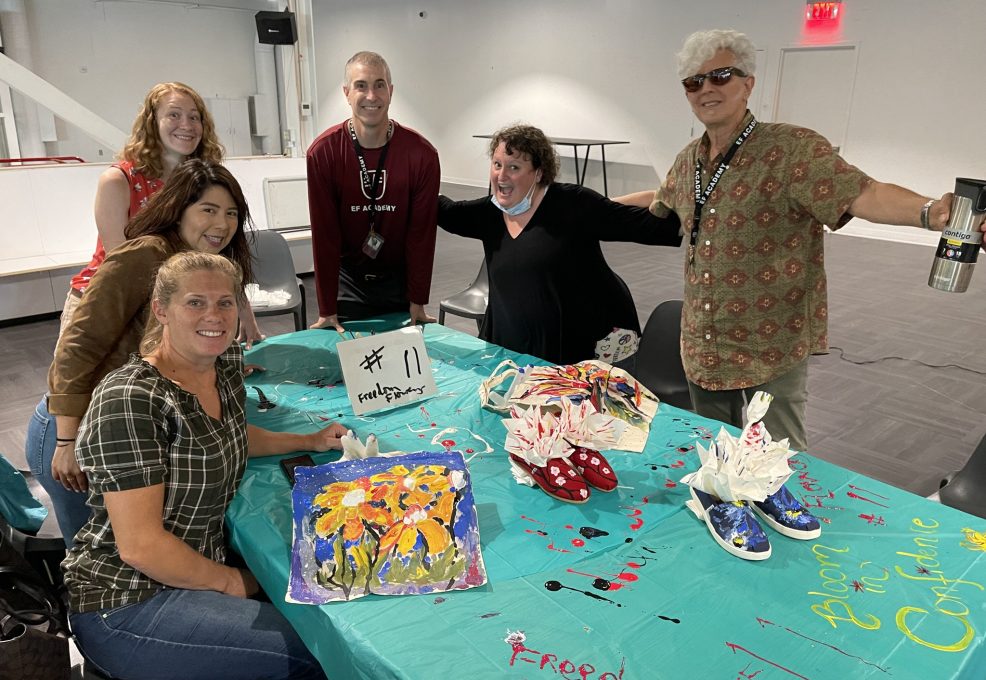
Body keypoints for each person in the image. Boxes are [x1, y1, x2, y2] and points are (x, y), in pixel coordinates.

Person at [623, 29, 955, 451]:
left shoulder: (792, 149)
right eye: (694, 81)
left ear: (748, 84)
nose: (706, 88)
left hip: (771, 340)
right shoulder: (689, 158)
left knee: (778, 463)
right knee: (712, 450)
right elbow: (661, 199)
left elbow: (862, 192)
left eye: (720, 76)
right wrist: (575, 205)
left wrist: (932, 213)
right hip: (705, 338)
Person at [63, 251, 340, 680]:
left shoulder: (222, 366)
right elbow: (140, 547)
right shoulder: (132, 399)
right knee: (318, 654)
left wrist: (310, 440)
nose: (214, 315)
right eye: (195, 302)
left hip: (192, 569)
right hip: (128, 600)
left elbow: (231, 435)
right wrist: (241, 584)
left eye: (225, 302)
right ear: (161, 310)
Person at [27, 159, 256, 546]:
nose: (222, 224)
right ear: (178, 209)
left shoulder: (203, 265)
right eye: (208, 210)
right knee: (99, 555)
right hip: (76, 424)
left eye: (232, 213)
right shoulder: (144, 255)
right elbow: (77, 346)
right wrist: (66, 441)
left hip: (132, 424)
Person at [438, 124, 682, 365]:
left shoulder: (572, 204)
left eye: (514, 167)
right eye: (497, 164)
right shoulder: (489, 213)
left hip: (585, 343)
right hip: (516, 341)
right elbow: (445, 211)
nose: (501, 176)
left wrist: (699, 213)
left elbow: (640, 224)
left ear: (538, 173)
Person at [62, 81, 264, 345]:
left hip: (172, 303)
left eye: (195, 117)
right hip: (107, 303)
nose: (187, 125)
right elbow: (122, 268)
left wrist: (245, 314)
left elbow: (218, 254)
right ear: (152, 122)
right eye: (174, 114)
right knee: (85, 383)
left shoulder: (203, 180)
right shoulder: (118, 180)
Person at [306, 50, 440, 332]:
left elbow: (421, 235)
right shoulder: (324, 153)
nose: (371, 95)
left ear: (390, 91)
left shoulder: (421, 155)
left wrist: (417, 300)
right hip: (348, 280)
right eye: (361, 85)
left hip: (397, 280)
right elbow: (325, 235)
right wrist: (327, 309)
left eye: (379, 85)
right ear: (346, 92)